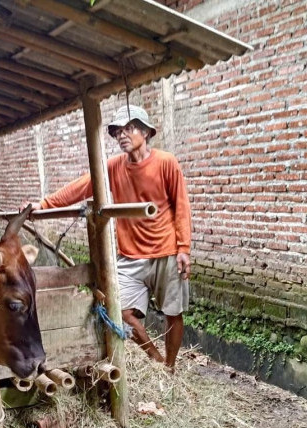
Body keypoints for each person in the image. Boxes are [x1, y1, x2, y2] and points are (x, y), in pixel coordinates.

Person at [23, 104, 191, 370]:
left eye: (129, 129)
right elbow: (78, 188)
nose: (122, 135)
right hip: (130, 255)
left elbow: (180, 205)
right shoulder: (113, 167)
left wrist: (183, 247)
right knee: (119, 311)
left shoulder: (165, 162)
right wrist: (43, 205)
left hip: (166, 250)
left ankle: (170, 366)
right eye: (117, 131)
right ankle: (156, 360)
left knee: (173, 312)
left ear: (145, 132)